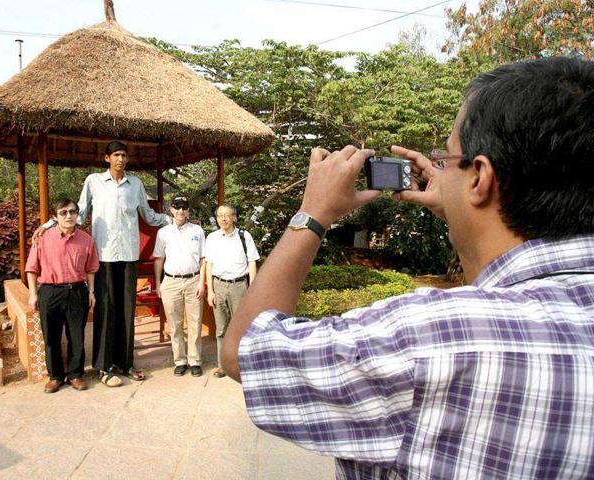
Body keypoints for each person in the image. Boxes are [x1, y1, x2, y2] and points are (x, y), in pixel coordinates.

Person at [221, 57, 594, 479]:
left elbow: (243, 352)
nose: (439, 170)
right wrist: (464, 208)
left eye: (447, 158)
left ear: (480, 178)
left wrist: (313, 212)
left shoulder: (426, 338)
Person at [34, 140, 171, 387]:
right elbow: (80, 213)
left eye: (124, 155)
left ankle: (127, 363)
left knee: (127, 311)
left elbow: (148, 216)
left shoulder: (136, 184)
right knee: (106, 311)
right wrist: (48, 225)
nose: (121, 159)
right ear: (107, 158)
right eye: (116, 155)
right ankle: (105, 367)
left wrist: (172, 220)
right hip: (104, 257)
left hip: (128, 256)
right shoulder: (93, 181)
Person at [26, 198, 99, 393]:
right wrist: (33, 294)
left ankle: (76, 375)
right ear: (54, 217)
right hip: (50, 292)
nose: (69, 216)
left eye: (73, 212)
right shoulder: (42, 238)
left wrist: (91, 292)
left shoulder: (86, 240)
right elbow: (31, 268)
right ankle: (55, 376)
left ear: (77, 214)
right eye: (63, 212)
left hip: (77, 291)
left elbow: (91, 268)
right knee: (51, 336)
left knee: (76, 336)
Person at [204, 204, 259, 378]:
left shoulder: (244, 236)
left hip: (239, 287)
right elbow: (208, 265)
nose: (223, 219)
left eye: (227, 215)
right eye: (220, 215)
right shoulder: (212, 238)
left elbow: (252, 262)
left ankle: (242, 364)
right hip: (219, 286)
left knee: (241, 327)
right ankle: (223, 365)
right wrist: (210, 291)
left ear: (234, 217)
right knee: (221, 330)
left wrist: (253, 288)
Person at [154, 196, 207, 377]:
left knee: (195, 322)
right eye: (177, 207)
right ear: (171, 210)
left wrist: (202, 281)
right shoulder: (163, 233)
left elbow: (203, 258)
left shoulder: (198, 230)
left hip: (193, 280)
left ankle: (195, 360)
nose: (181, 211)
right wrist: (158, 283)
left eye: (184, 208)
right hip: (170, 282)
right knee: (174, 324)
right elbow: (159, 259)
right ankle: (180, 360)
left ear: (188, 211)